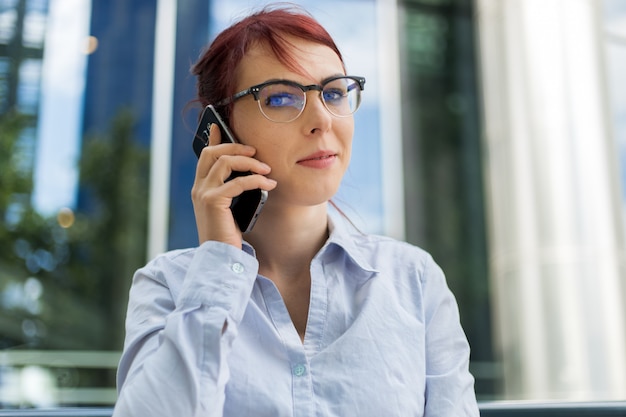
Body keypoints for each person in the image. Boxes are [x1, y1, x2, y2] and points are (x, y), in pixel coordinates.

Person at [113, 4, 479, 417]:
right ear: (218, 129)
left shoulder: (414, 282)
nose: (322, 119)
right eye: (282, 97)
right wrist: (219, 261)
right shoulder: (170, 287)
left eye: (335, 92)